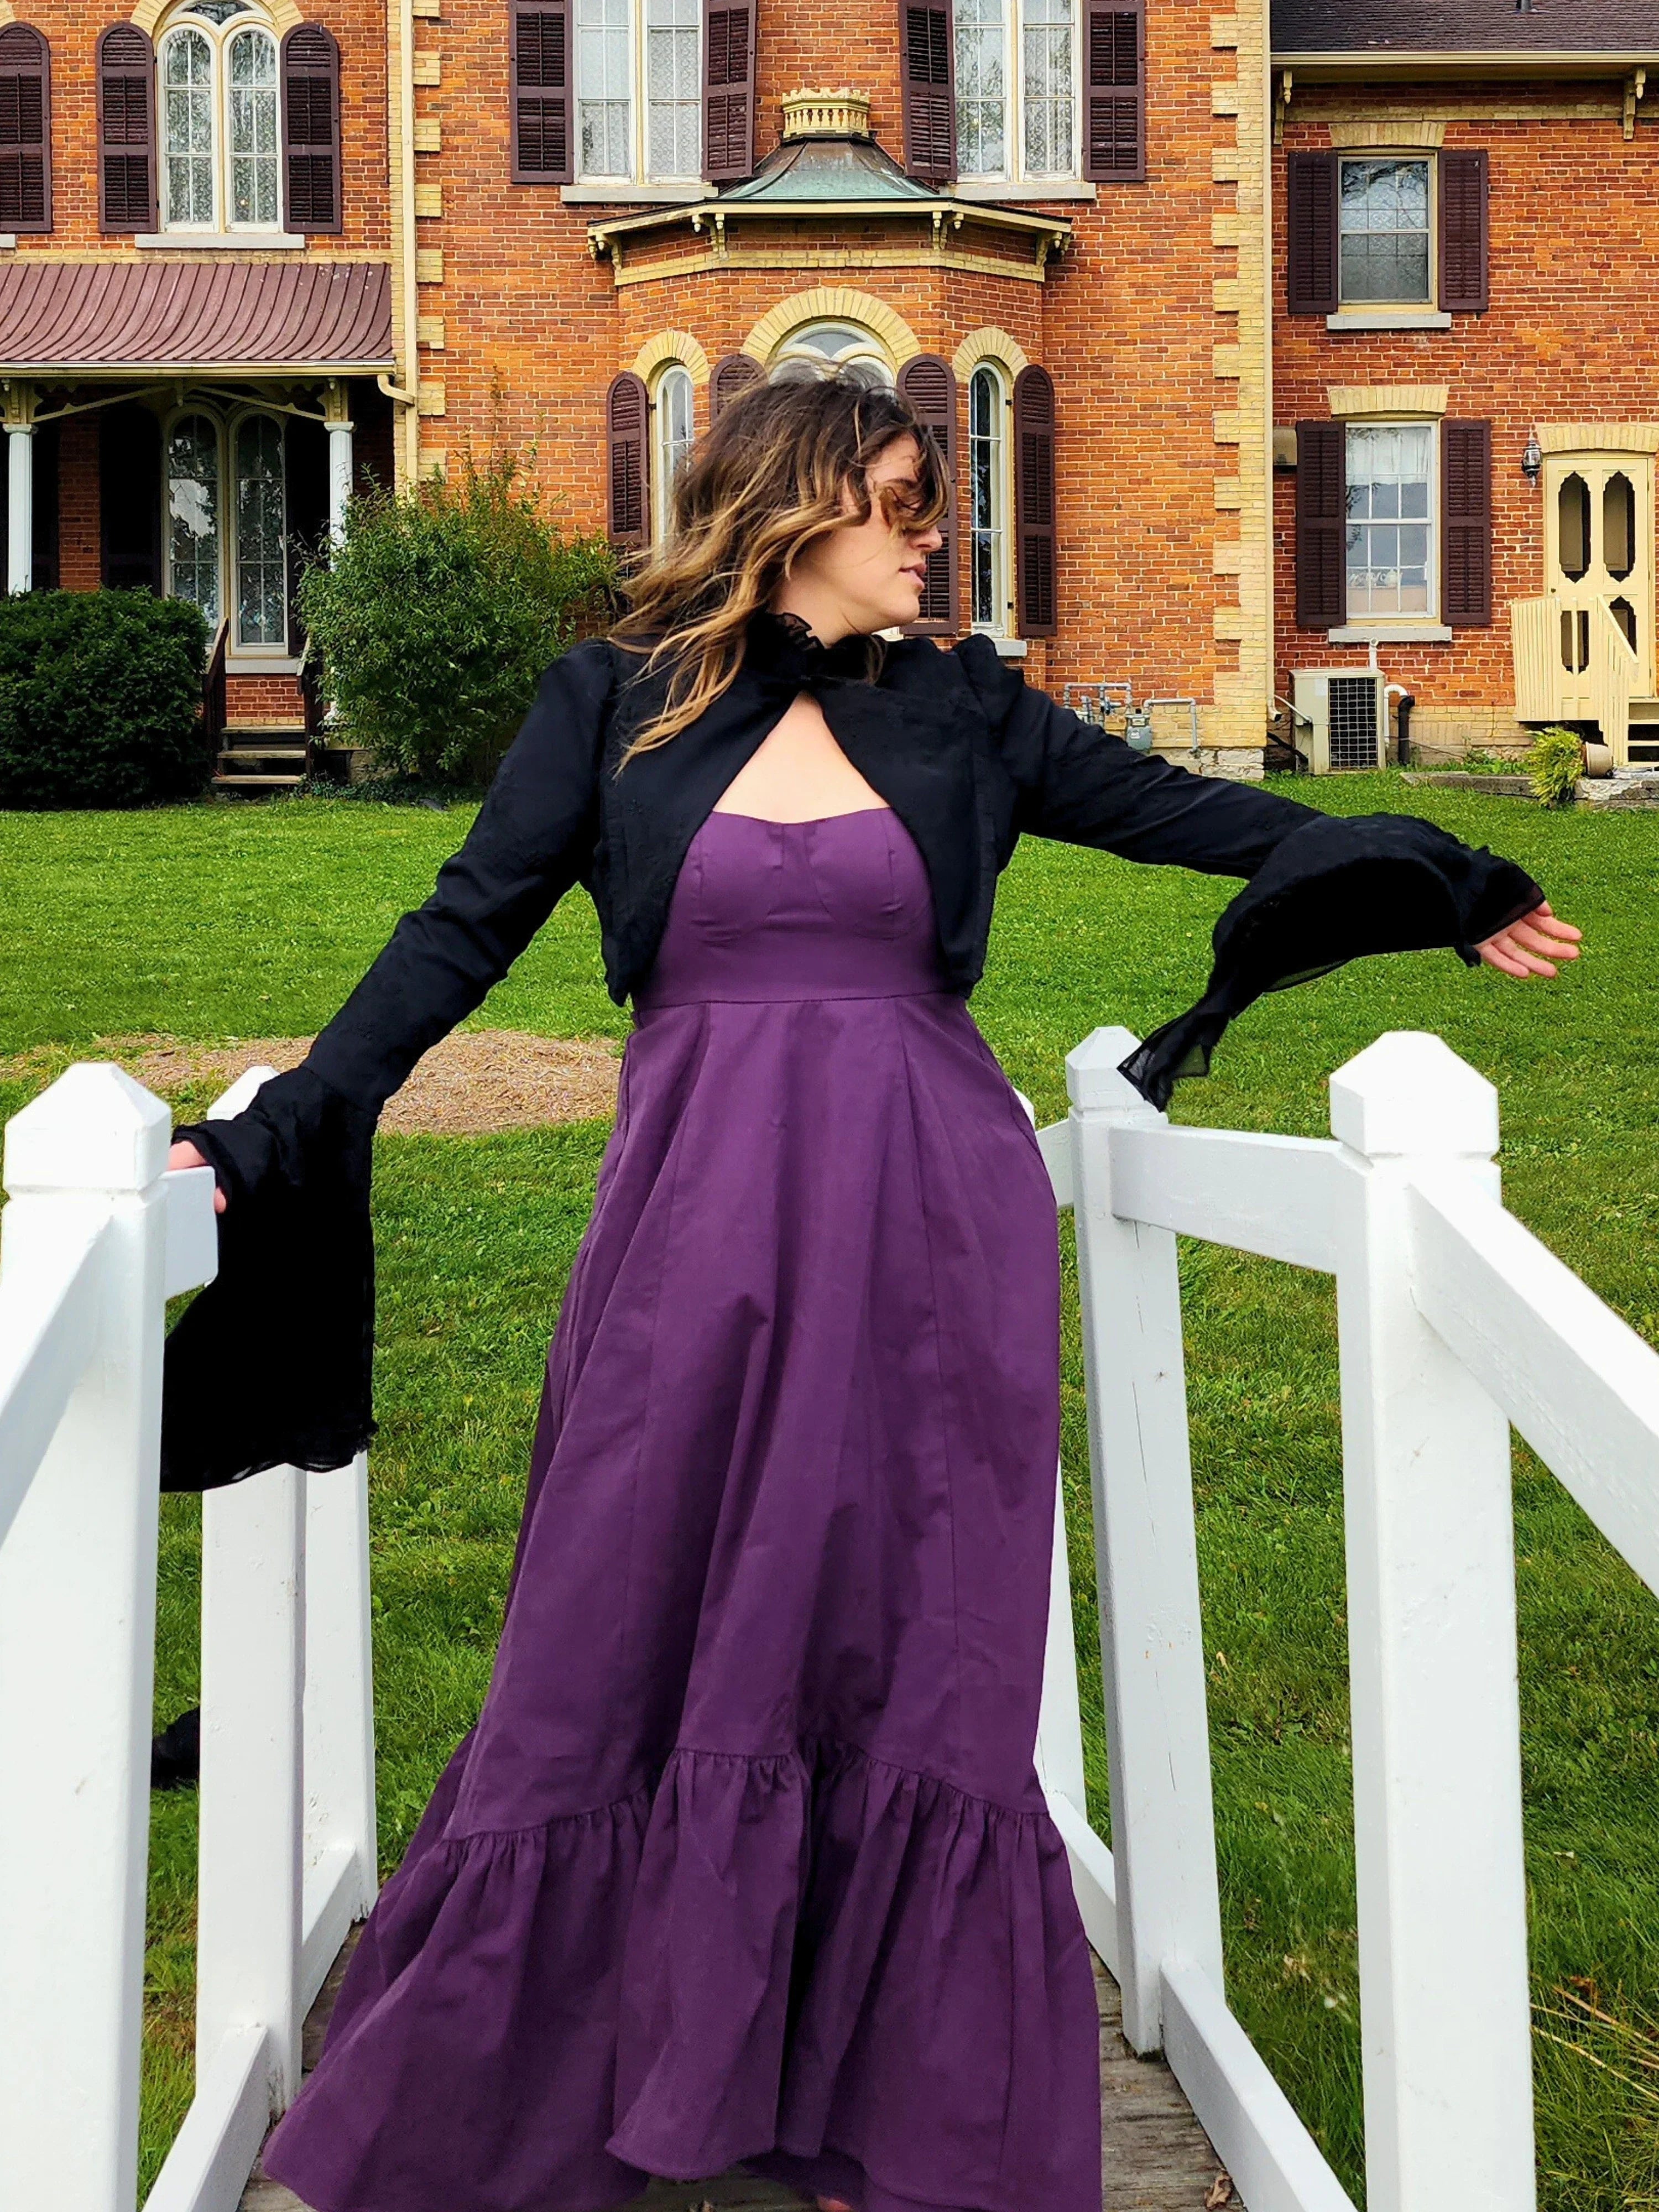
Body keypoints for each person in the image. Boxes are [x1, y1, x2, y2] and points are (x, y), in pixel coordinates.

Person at [164, 373, 1579, 2212]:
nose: (937, 535)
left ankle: (882, 2107)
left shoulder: (969, 708)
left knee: (916, 1639)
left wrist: (1452, 879)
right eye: (908, 501)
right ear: (792, 507)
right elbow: (465, 920)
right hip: (694, 1232)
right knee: (622, 1607)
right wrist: (294, 1119)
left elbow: (1187, 815)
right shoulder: (616, 703)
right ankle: (580, 2075)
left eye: (937, 502)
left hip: (933, 1227)